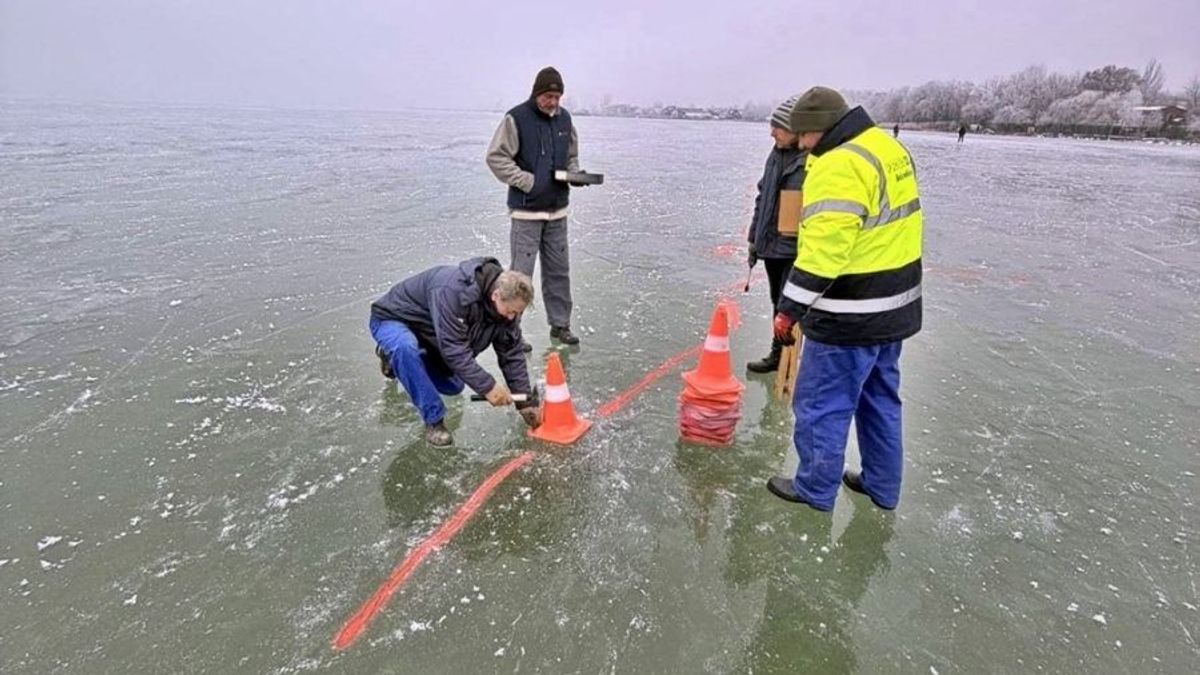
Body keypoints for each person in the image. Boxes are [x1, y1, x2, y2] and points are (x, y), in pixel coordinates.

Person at [768, 86, 924, 512]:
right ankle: (881, 485)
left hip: (851, 313)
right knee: (880, 400)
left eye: (803, 135)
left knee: (821, 404)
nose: (800, 144)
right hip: (895, 308)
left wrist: (788, 311)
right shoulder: (886, 147)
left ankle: (814, 489)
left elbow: (824, 254)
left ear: (822, 129)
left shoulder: (839, 164)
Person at [369, 257, 542, 446]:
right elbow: (455, 349)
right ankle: (434, 420)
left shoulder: (506, 311)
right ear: (496, 296)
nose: (513, 317)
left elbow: (511, 354)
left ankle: (404, 361)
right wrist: (487, 386)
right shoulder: (453, 292)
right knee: (404, 348)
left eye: (518, 313)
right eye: (511, 311)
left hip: (430, 334)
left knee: (453, 386)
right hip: (394, 319)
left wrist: (525, 403)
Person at [486, 66, 582, 349]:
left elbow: (571, 156)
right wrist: (527, 182)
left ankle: (560, 325)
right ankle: (512, 332)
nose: (552, 102)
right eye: (548, 96)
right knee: (519, 277)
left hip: (557, 212)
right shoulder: (516, 118)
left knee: (559, 272)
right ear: (536, 93)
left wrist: (574, 174)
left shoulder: (565, 119)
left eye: (557, 96)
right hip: (526, 212)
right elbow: (496, 158)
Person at [745, 94, 806, 373]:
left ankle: (789, 360)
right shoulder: (776, 154)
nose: (772, 132)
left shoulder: (811, 159)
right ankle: (778, 354)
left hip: (794, 247)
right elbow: (763, 196)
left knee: (790, 303)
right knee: (777, 301)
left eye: (778, 127)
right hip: (770, 244)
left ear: (795, 130)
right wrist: (754, 237)